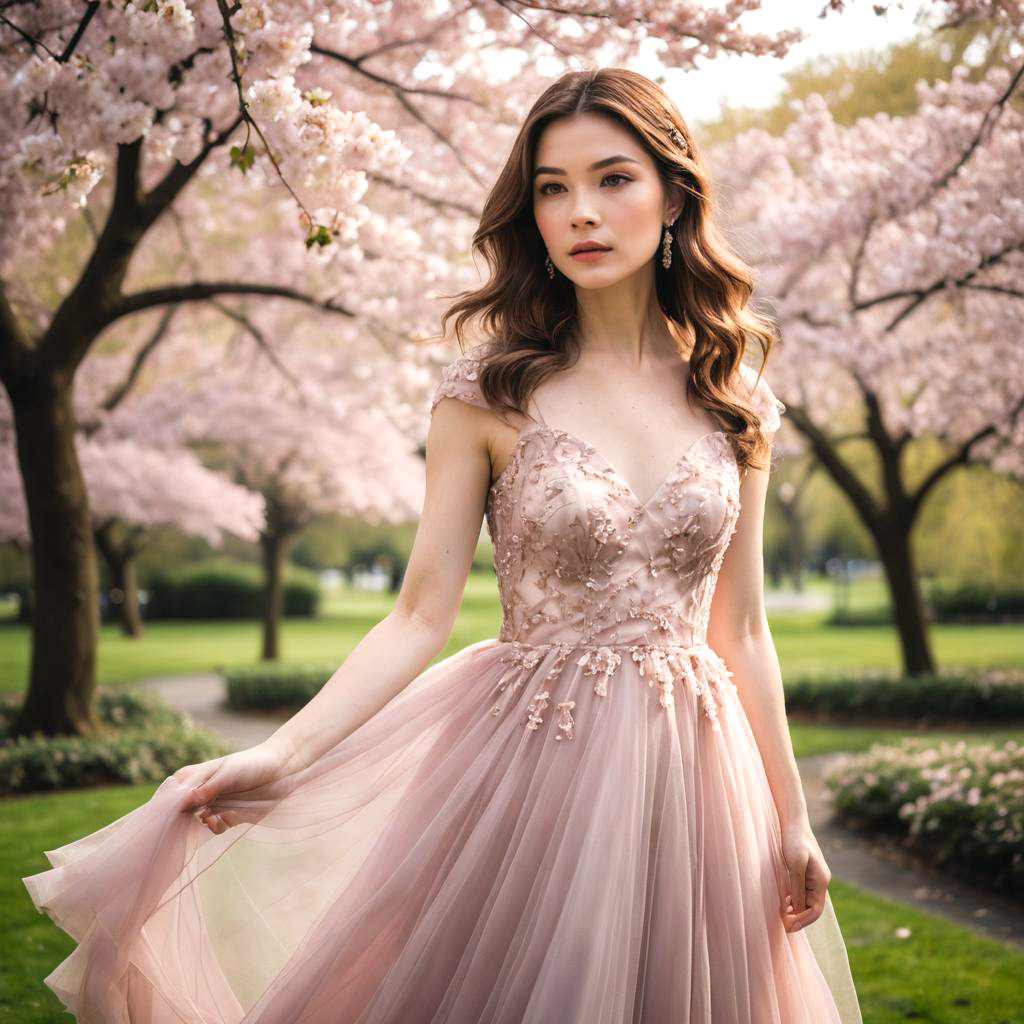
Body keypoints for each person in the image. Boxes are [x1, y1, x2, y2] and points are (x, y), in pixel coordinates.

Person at [23, 67, 863, 1023]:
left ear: (673, 197)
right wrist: (287, 749)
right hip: (537, 767)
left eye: (613, 179)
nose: (581, 211)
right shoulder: (489, 392)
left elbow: (742, 628)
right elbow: (421, 609)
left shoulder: (734, 396)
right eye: (552, 188)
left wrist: (792, 817)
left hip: (703, 778)